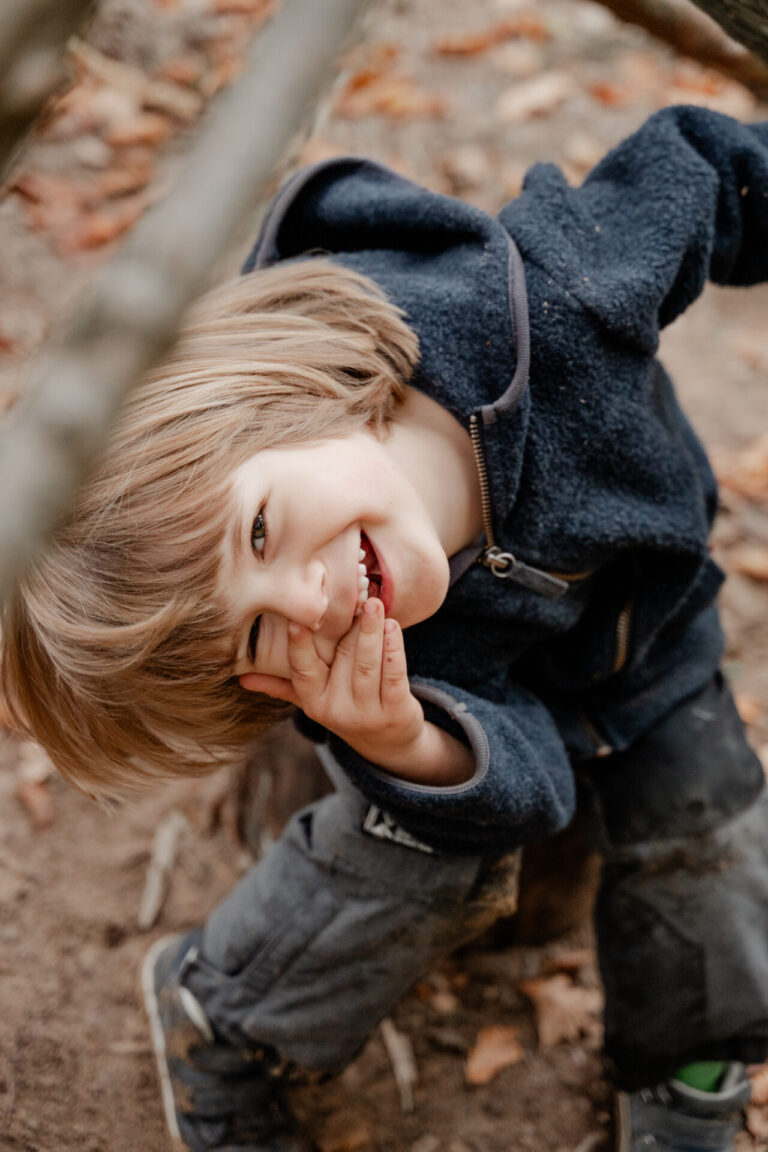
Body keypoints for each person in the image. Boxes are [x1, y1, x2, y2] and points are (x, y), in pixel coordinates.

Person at [3, 104, 768, 1152]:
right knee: (408, 839)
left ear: (297, 400)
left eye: (259, 531)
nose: (304, 603)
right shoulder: (352, 654)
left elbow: (701, 166)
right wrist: (403, 738)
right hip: (495, 693)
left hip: (652, 637)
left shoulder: (556, 303)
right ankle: (221, 1017)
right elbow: (532, 787)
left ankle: (691, 1065)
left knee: (710, 828)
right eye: (257, 637)